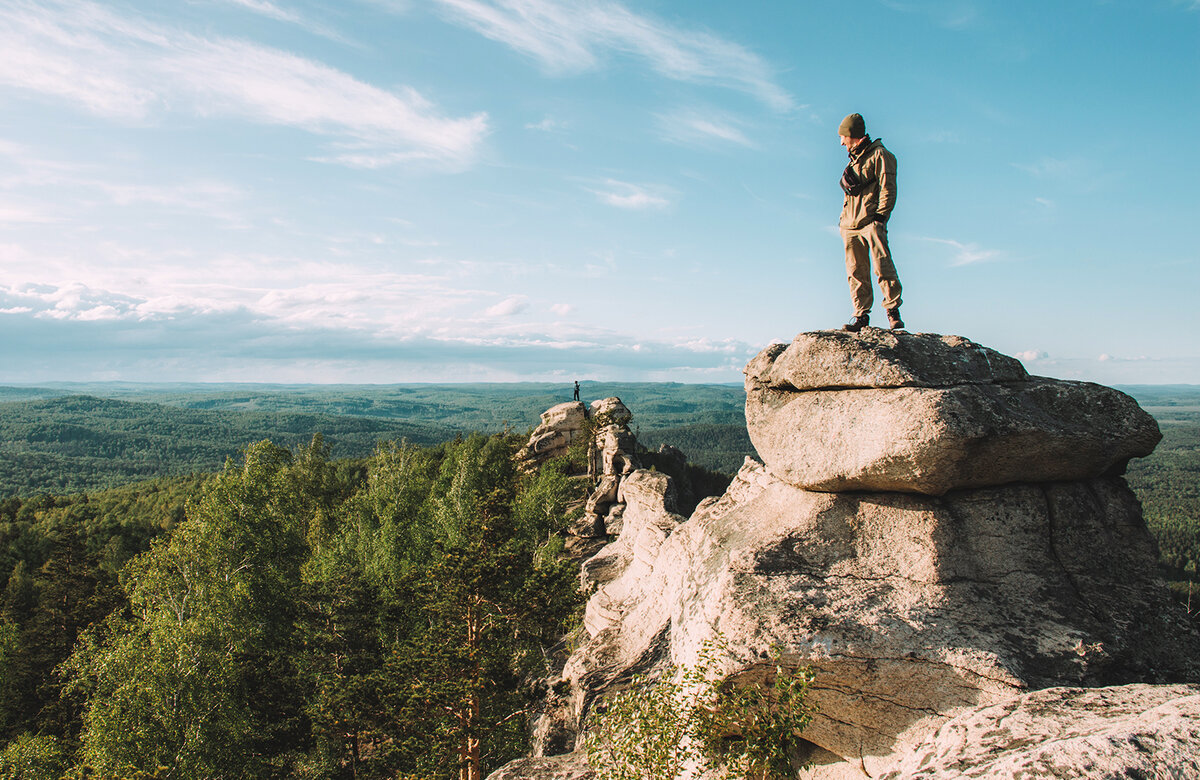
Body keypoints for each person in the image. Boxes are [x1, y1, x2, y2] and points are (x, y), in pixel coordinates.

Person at [837, 113, 904, 332]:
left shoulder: (881, 155)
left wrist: (880, 217)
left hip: (871, 222)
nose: (841, 142)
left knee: (882, 266)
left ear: (851, 134)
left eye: (843, 137)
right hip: (849, 225)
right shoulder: (854, 159)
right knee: (855, 271)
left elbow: (888, 188)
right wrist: (843, 222)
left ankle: (892, 310)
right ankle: (860, 315)